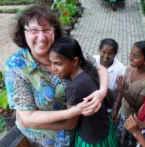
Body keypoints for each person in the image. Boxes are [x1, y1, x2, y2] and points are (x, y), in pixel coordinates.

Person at [3, 5, 108, 147]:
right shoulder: (16, 66)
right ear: (23, 33)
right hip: (46, 141)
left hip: (80, 134)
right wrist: (73, 113)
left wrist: (101, 92)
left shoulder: (64, 48)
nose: (41, 37)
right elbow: (28, 118)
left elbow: (100, 68)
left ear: (54, 31)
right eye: (34, 30)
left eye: (46, 29)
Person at [49, 36, 118, 147]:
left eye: (58, 63)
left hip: (91, 139)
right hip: (103, 129)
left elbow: (70, 124)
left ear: (75, 61)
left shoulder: (73, 88)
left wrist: (41, 125)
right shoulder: (87, 68)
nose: (53, 69)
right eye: (51, 63)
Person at [112, 41, 145, 146]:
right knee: (117, 138)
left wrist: (123, 90)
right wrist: (116, 107)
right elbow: (121, 94)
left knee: (126, 142)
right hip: (121, 114)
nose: (131, 57)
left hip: (132, 121)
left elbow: (137, 106)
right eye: (131, 54)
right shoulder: (129, 69)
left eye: (135, 56)